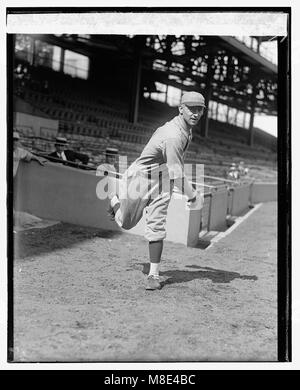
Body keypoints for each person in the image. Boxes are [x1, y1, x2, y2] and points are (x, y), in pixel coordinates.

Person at [107, 91, 205, 290]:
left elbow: (173, 172)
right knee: (126, 223)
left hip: (162, 179)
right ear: (181, 109)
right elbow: (177, 173)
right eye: (191, 109)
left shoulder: (186, 128)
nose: (195, 113)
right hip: (141, 178)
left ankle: (154, 274)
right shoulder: (173, 135)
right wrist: (193, 195)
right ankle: (115, 200)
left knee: (157, 226)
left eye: (199, 109)